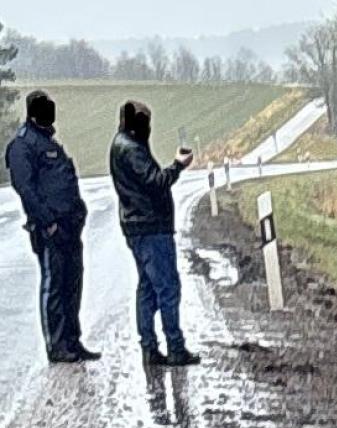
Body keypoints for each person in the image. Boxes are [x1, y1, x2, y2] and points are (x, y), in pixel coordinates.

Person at [5, 90, 97, 363]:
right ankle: (56, 345)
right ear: (34, 111)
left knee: (72, 285)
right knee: (54, 287)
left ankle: (72, 340)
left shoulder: (49, 141)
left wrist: (78, 213)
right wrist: (48, 223)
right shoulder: (23, 145)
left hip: (70, 226)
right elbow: (26, 189)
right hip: (50, 229)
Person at [107, 102, 198, 368]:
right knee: (167, 287)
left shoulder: (121, 144)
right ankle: (175, 347)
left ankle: (149, 347)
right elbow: (156, 182)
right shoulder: (132, 149)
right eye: (146, 121)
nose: (149, 127)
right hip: (151, 227)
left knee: (147, 287)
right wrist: (178, 166)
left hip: (137, 226)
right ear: (138, 123)